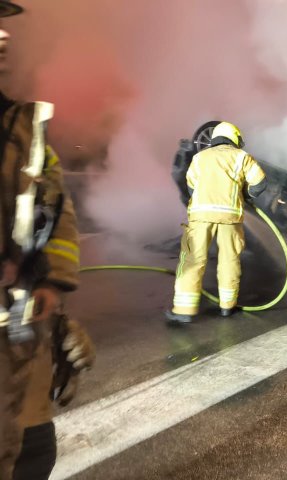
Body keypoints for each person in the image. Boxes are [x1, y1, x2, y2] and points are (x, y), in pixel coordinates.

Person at [0, 3, 95, 479]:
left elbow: (57, 213)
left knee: (33, 450)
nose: (3, 38)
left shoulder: (24, 129)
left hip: (21, 334)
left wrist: (52, 286)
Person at [165, 122, 267, 324]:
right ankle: (227, 306)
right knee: (229, 260)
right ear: (234, 138)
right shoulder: (242, 157)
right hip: (230, 217)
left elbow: (191, 187)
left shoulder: (200, 157)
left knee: (193, 260)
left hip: (201, 216)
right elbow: (260, 183)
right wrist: (245, 195)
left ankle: (184, 311)